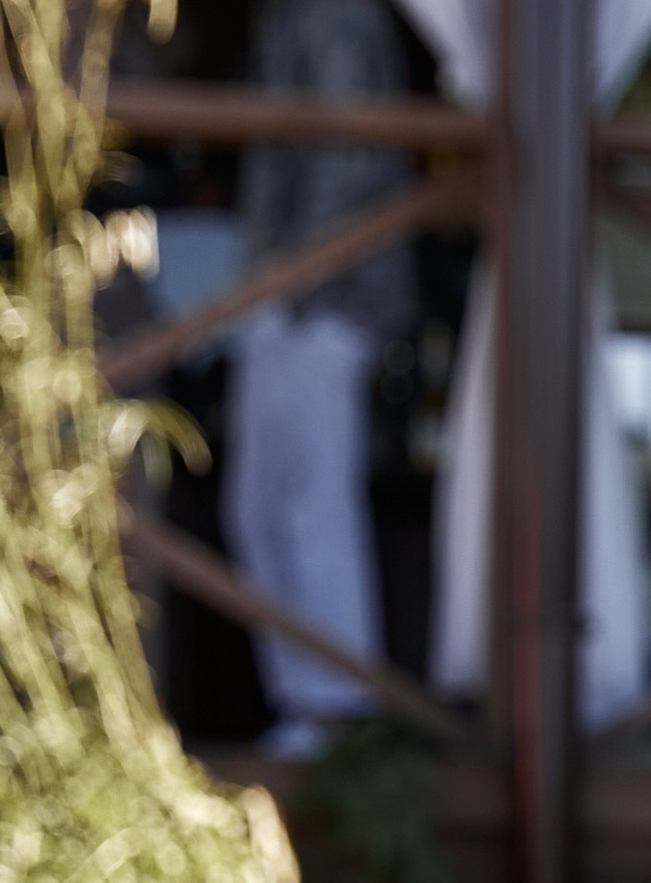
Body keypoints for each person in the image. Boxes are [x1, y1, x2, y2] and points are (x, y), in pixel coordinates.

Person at [225, 0, 417, 757]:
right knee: (264, 507)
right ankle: (310, 707)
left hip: (322, 297)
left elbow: (349, 155)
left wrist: (292, 284)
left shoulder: (335, 15)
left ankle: (335, 712)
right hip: (294, 294)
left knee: (307, 504)